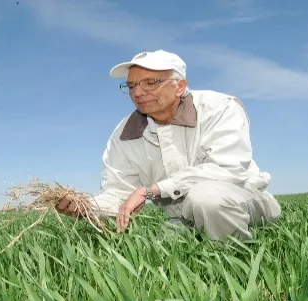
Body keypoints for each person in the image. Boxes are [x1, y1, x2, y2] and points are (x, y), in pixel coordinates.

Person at [56, 49, 281, 241]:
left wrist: (153, 190)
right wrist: (85, 207)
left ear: (180, 86)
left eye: (150, 82)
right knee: (158, 259)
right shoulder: (124, 133)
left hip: (245, 201)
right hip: (181, 219)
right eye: (131, 85)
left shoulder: (219, 107)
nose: (137, 92)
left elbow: (228, 169)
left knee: (207, 198)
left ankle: (237, 269)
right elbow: (119, 192)